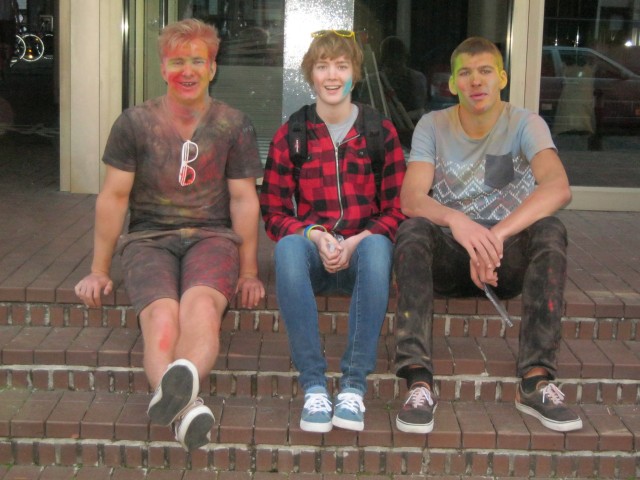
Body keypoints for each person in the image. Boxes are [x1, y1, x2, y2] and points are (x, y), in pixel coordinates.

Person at [74, 19, 265, 451]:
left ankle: (178, 405)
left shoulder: (234, 124)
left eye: (198, 60)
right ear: (163, 68)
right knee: (161, 319)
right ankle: (187, 410)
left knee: (201, 309)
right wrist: (99, 269)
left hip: (213, 237)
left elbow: (243, 200)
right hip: (148, 239)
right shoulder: (134, 123)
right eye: (177, 62)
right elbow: (114, 197)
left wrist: (249, 271)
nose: (187, 71)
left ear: (213, 68)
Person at [393, 37, 583, 435]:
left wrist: (493, 237)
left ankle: (536, 380)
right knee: (412, 231)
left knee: (550, 230)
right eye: (465, 73)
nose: (475, 81)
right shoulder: (433, 125)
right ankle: (418, 381)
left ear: (502, 78)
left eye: (484, 71)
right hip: (451, 256)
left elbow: (558, 188)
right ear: (452, 84)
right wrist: (458, 222)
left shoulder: (525, 123)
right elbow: (411, 199)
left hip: (504, 260)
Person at [259, 30, 406, 433]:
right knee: (287, 248)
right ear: (311, 73)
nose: (332, 75)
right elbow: (272, 210)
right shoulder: (293, 133)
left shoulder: (379, 131)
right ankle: (314, 386)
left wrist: (358, 240)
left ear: (355, 73)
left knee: (378, 247)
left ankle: (354, 387)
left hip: (364, 258)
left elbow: (398, 209)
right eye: (322, 66)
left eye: (341, 66)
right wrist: (313, 234)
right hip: (314, 255)